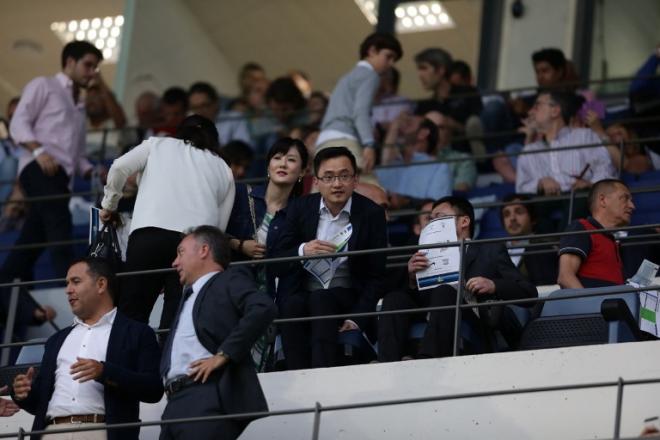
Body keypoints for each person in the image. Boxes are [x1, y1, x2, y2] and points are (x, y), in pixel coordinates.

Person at [100, 115, 235, 331]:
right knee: (177, 320)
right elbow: (218, 229)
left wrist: (109, 205)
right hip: (194, 246)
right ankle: (168, 364)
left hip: (148, 237)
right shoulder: (224, 168)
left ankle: (127, 364)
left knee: (132, 314)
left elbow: (118, 167)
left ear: (180, 131)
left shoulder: (157, 144)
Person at [4, 41, 103, 329]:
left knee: (29, 245)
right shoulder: (44, 85)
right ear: (69, 62)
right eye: (88, 64)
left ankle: (5, 282)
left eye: (95, 67)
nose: (92, 72)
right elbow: (18, 124)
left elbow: (78, 157)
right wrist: (39, 151)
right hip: (39, 169)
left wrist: (98, 172)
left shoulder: (80, 108)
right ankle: (79, 294)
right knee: (59, 225)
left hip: (60, 178)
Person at [11, 257, 163, 440]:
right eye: (66, 283)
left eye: (76, 281)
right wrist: (23, 393)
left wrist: (105, 372)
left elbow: (153, 389)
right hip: (51, 432)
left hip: (101, 431)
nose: (68, 290)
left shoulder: (137, 332)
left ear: (101, 284)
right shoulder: (56, 340)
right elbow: (39, 404)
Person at [378, 196, 537, 361]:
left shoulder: (489, 251)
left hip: (472, 317)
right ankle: (386, 364)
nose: (433, 224)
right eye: (430, 220)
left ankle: (426, 360)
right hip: (431, 312)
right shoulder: (424, 256)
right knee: (394, 299)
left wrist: (493, 284)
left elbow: (529, 293)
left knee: (444, 291)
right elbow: (414, 298)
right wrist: (411, 278)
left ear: (464, 222)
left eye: (440, 217)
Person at [270, 146, 387, 369]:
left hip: (347, 293)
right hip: (303, 290)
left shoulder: (371, 214)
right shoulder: (299, 208)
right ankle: (297, 377)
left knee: (321, 299)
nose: (337, 184)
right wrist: (303, 250)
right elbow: (276, 260)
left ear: (355, 179)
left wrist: (357, 318)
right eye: (329, 177)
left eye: (344, 176)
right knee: (291, 304)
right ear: (316, 181)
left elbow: (376, 276)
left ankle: (322, 373)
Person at [160, 226, 276, 440]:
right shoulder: (188, 295)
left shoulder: (229, 278)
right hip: (174, 403)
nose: (175, 262)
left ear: (204, 250)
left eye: (181, 252)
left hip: (206, 395)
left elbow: (262, 307)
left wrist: (224, 354)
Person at [226, 137, 309, 299]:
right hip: (231, 288)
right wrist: (239, 244)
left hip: (271, 296)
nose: (283, 164)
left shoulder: (301, 212)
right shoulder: (240, 194)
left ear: (303, 172)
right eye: (277, 158)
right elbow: (211, 232)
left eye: (291, 160)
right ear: (268, 166)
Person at [316, 33, 403, 173]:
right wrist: (369, 143)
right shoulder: (370, 75)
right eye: (389, 56)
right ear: (372, 50)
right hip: (345, 139)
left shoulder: (348, 76)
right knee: (370, 190)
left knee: (326, 191)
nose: (391, 63)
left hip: (324, 141)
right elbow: (360, 111)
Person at [515, 90, 616, 195]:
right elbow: (521, 187)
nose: (530, 112)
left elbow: (605, 167)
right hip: (544, 204)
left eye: (537, 106)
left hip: (581, 197)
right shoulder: (529, 150)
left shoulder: (584, 136)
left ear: (555, 111)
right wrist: (539, 184)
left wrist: (591, 184)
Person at [557, 179, 635, 289]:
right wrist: (589, 305)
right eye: (625, 198)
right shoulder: (581, 228)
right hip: (592, 305)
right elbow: (565, 277)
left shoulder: (611, 241)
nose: (632, 206)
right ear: (603, 200)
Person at [377, 116, 452, 206]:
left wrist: (406, 201)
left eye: (409, 123)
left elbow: (439, 206)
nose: (401, 125)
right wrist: (393, 129)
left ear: (423, 133)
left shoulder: (438, 167)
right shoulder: (392, 162)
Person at [500, 194, 558, 286]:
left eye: (519, 212)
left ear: (533, 219)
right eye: (506, 214)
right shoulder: (496, 249)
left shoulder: (544, 246)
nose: (512, 218)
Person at [425, 110, 477, 192]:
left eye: (440, 127)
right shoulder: (411, 159)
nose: (435, 131)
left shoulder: (463, 160)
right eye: (430, 127)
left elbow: (461, 189)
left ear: (449, 132)